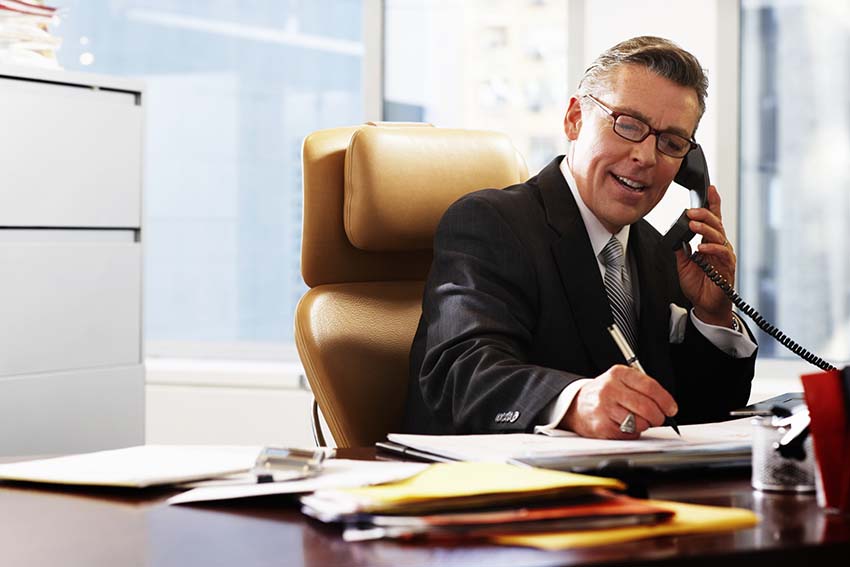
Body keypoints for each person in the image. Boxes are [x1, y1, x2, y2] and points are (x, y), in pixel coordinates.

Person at [403, 36, 758, 439]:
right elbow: (461, 374)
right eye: (628, 125)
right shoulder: (491, 224)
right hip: (499, 474)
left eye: (671, 143)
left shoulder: (661, 252)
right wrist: (572, 401)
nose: (646, 157)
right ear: (574, 119)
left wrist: (713, 317)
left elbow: (695, 416)